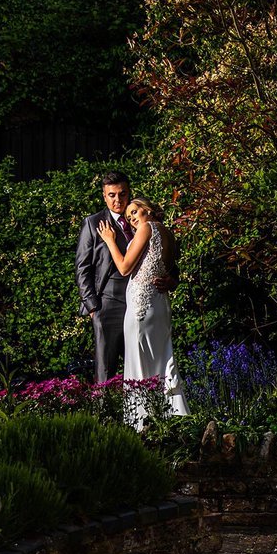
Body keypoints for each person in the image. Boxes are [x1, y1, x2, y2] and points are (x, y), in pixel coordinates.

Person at [75, 172, 176, 388]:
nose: (117, 200)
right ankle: (104, 410)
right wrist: (93, 307)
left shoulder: (140, 220)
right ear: (104, 196)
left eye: (122, 194)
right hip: (107, 305)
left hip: (141, 304)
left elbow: (165, 258)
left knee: (142, 367)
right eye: (111, 195)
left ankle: (146, 406)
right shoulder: (93, 223)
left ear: (129, 193)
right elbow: (82, 268)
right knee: (106, 370)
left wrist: (171, 280)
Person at [97, 197, 190, 428]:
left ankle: (140, 425)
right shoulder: (168, 233)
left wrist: (110, 240)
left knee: (139, 365)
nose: (131, 218)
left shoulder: (147, 227)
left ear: (148, 210)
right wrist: (172, 282)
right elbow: (170, 272)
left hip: (141, 306)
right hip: (159, 305)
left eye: (135, 212)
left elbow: (124, 267)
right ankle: (172, 420)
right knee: (162, 360)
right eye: (129, 217)